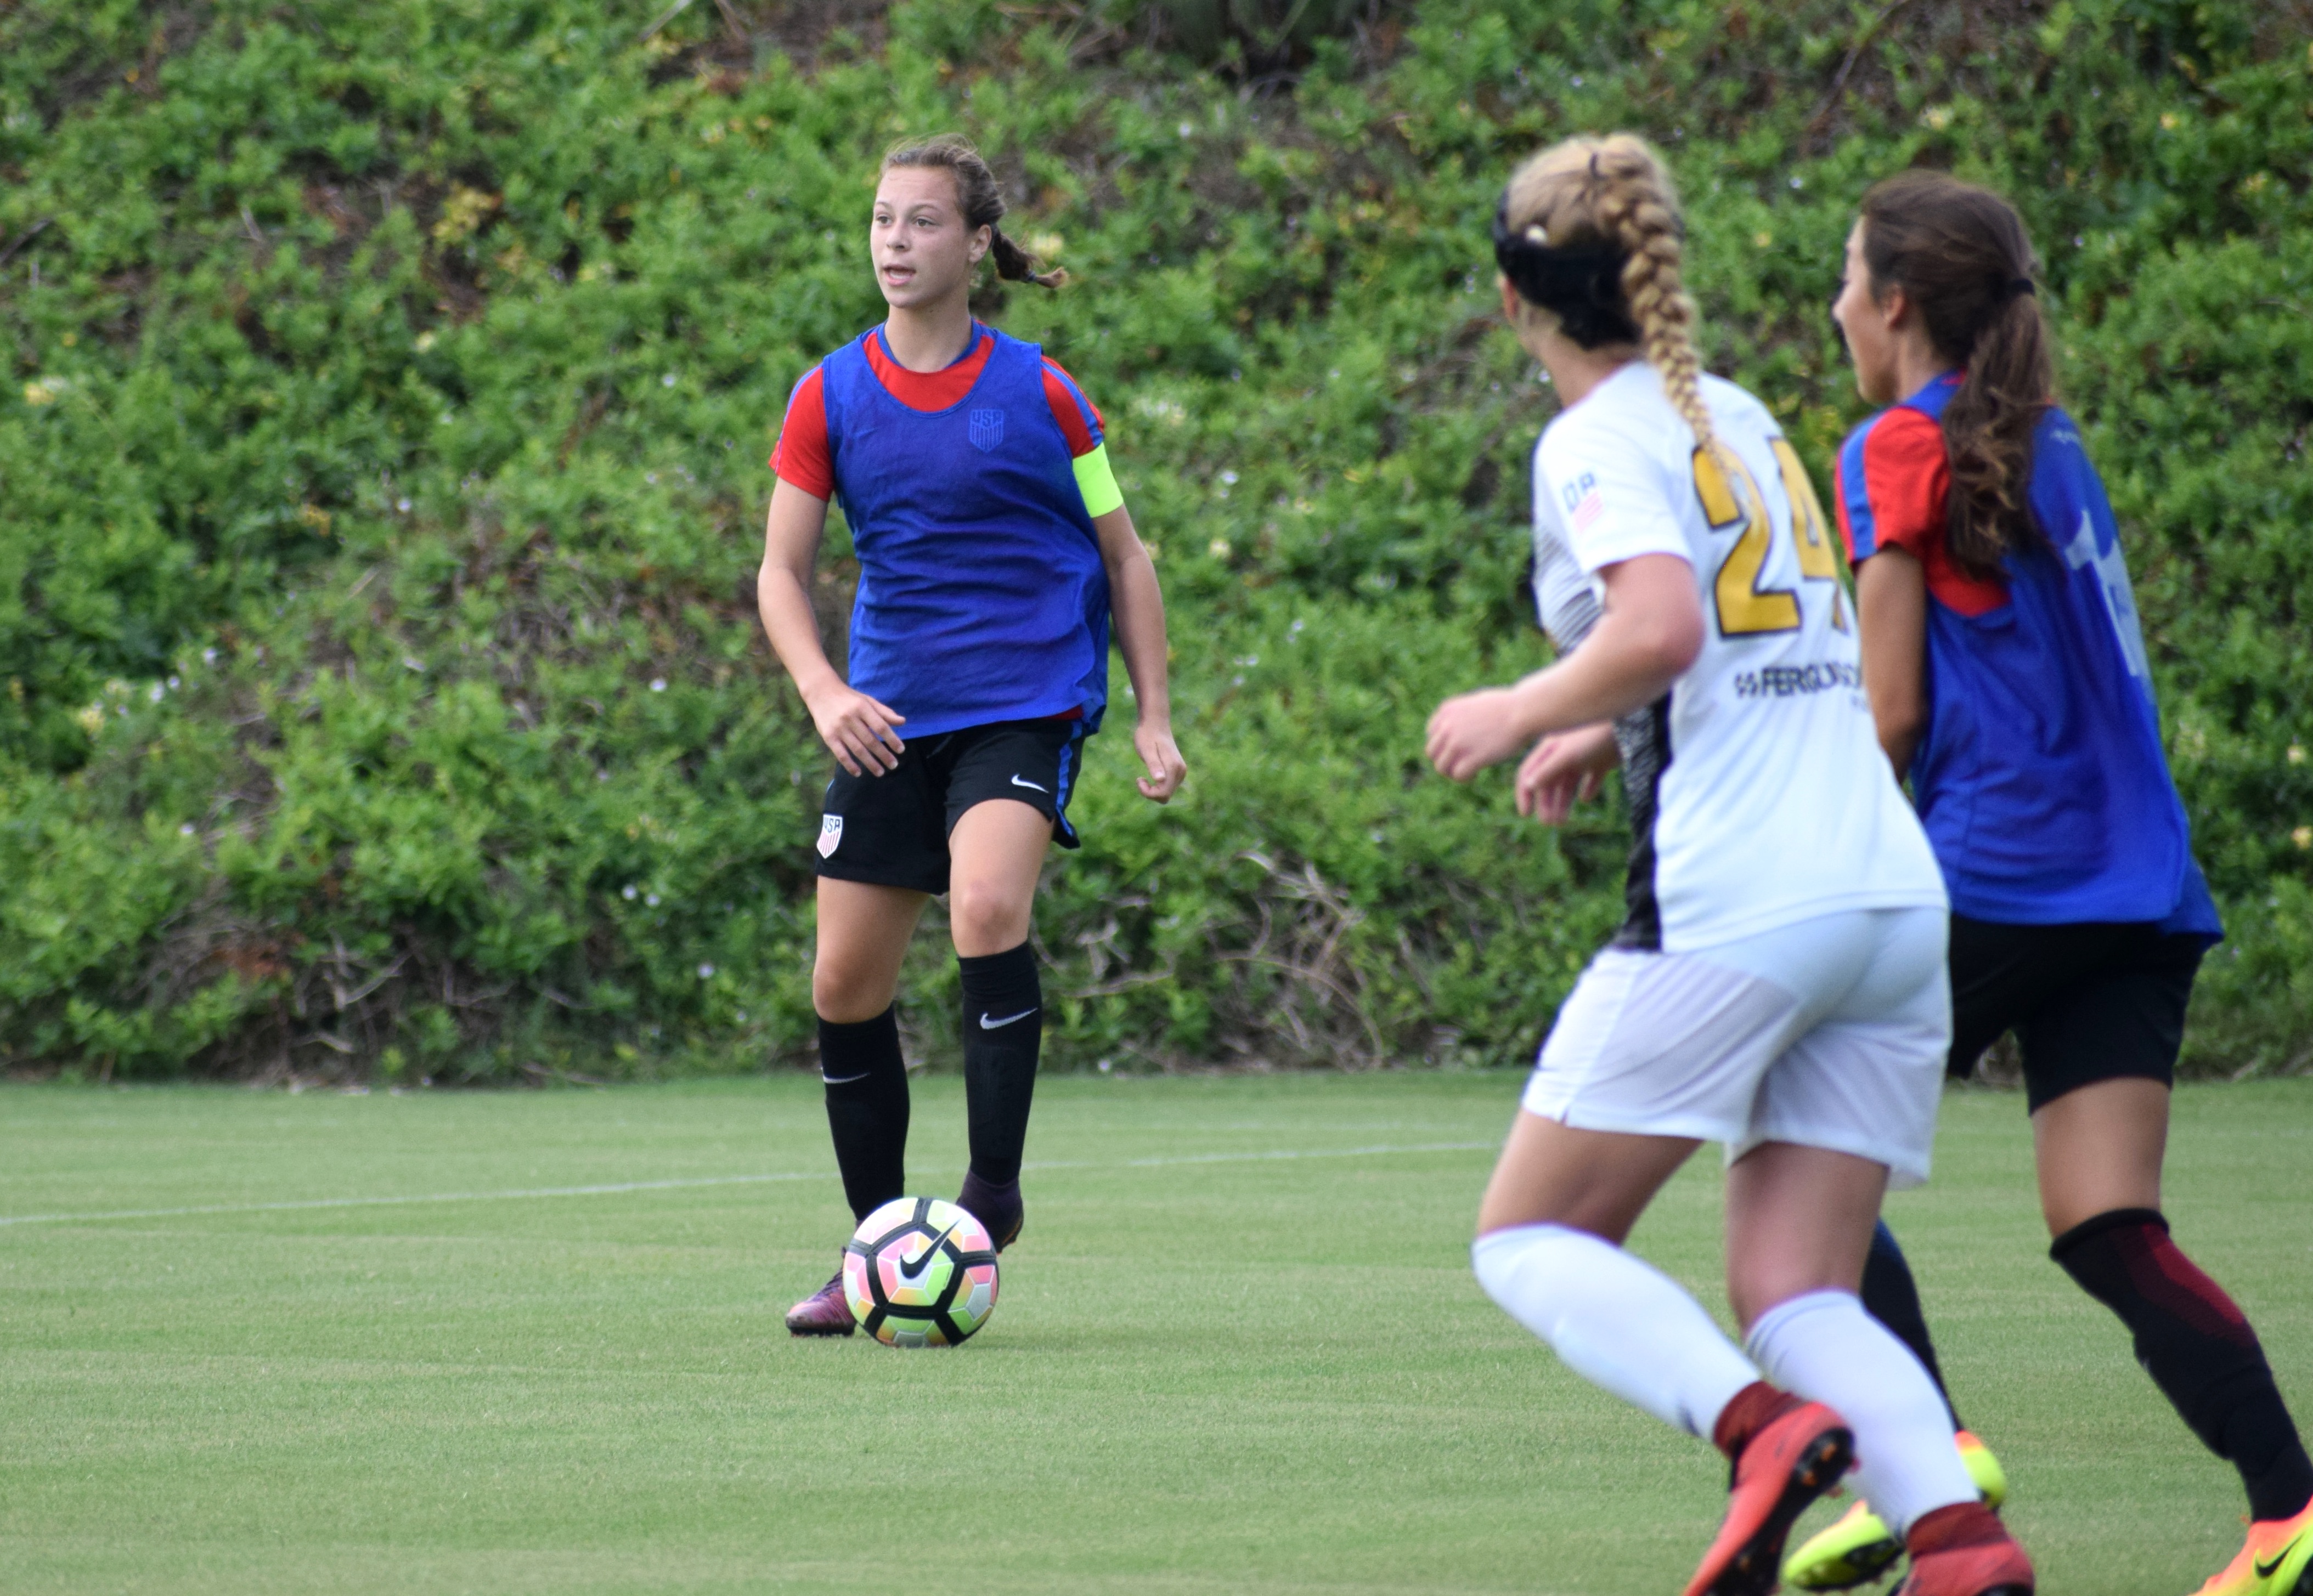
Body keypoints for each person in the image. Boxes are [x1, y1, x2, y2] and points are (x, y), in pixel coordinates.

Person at [1428, 133, 2034, 1596]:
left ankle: (1764, 1435)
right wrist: (1599, 718)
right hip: (1887, 895)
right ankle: (1960, 1541)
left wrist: (1519, 704)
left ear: (1517, 297)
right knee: (1800, 1283)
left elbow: (1664, 627)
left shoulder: (1590, 436)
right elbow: (1723, 646)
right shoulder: (1741, 414)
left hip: (1747, 896)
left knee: (1526, 1235)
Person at [1779, 168, 2313, 1596]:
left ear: (1893, 302)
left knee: (1794, 1134)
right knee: (2107, 1224)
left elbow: (1888, 712)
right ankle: (2292, 1513)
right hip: (2142, 894)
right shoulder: (2047, 440)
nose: (1833, 305)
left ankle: (1924, 1468)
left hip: (2008, 872)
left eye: (1846, 278)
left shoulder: (1899, 443)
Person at [758, 134, 1187, 1337]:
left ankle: (988, 1196)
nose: (896, 244)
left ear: (978, 243)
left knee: (987, 908)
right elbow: (781, 576)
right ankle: (875, 1253)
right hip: (886, 714)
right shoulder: (827, 394)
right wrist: (824, 692)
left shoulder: (1043, 392)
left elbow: (1124, 553)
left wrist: (1151, 714)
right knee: (844, 984)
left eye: (923, 224)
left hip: (1024, 698)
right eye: (883, 222)